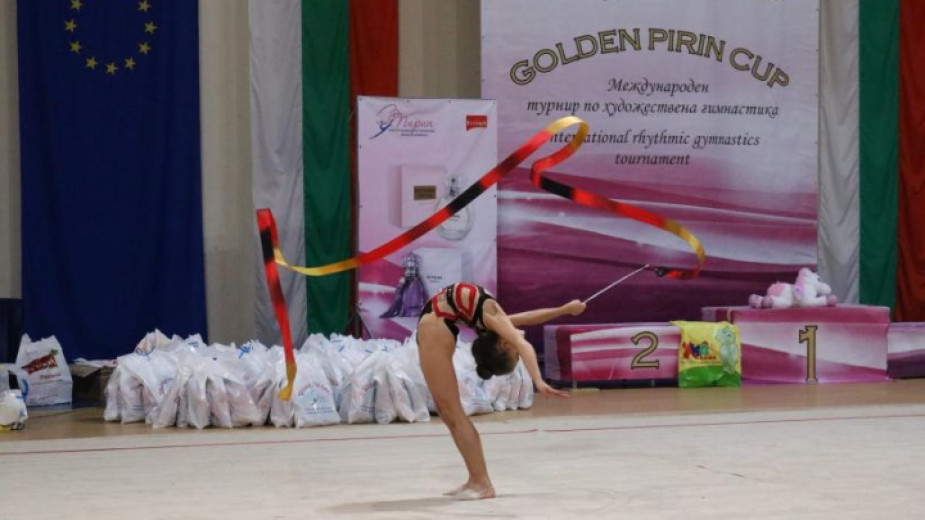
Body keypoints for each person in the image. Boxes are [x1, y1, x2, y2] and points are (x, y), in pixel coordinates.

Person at [416, 282, 586, 500]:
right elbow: (526, 324)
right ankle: (476, 480)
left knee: (452, 412)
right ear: (504, 345)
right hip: (437, 323)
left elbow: (523, 336)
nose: (519, 341)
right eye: (517, 356)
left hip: (437, 326)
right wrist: (564, 310)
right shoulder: (493, 320)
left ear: (504, 344)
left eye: (516, 355)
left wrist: (538, 379)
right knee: (449, 412)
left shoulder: (493, 321)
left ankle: (481, 483)